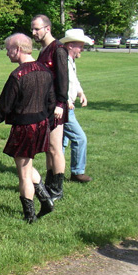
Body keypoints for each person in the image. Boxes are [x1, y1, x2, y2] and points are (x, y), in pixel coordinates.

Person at [0, 33, 55, 223]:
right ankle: (46, 200)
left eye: (8, 49)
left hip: (25, 128)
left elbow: (3, 107)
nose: (7, 53)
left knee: (24, 174)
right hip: (42, 125)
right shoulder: (45, 71)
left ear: (18, 49)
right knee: (27, 164)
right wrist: (46, 122)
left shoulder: (17, 75)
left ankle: (30, 216)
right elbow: (51, 102)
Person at [31, 14, 68, 201]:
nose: (34, 32)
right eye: (32, 29)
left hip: (56, 107)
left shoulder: (58, 49)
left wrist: (61, 103)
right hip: (45, 105)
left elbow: (63, 79)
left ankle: (57, 190)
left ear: (47, 28)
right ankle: (48, 184)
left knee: (55, 148)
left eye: (37, 29)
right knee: (48, 148)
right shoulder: (44, 49)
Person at [60, 28, 93, 183]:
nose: (82, 49)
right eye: (80, 46)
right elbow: (60, 83)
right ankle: (77, 172)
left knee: (61, 142)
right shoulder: (63, 62)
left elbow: (73, 81)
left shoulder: (70, 61)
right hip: (65, 107)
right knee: (80, 138)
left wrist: (81, 93)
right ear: (70, 45)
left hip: (67, 106)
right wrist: (66, 99)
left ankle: (55, 174)